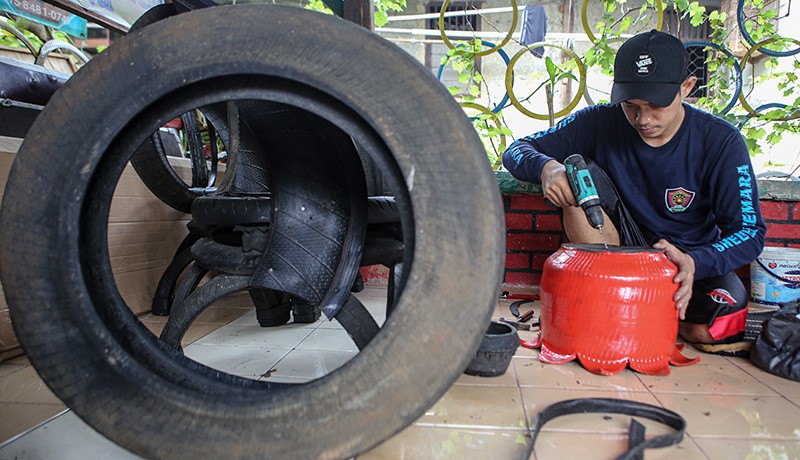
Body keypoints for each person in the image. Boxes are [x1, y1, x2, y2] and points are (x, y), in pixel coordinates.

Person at [502, 29, 766, 356]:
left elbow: (750, 232)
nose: (643, 119)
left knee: (717, 326)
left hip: (684, 261)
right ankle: (617, 301)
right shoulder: (598, 122)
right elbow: (516, 150)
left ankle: (640, 315)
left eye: (655, 105)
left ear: (687, 88)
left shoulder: (722, 142)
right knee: (575, 169)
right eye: (631, 105)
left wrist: (697, 261)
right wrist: (546, 167)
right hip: (616, 252)